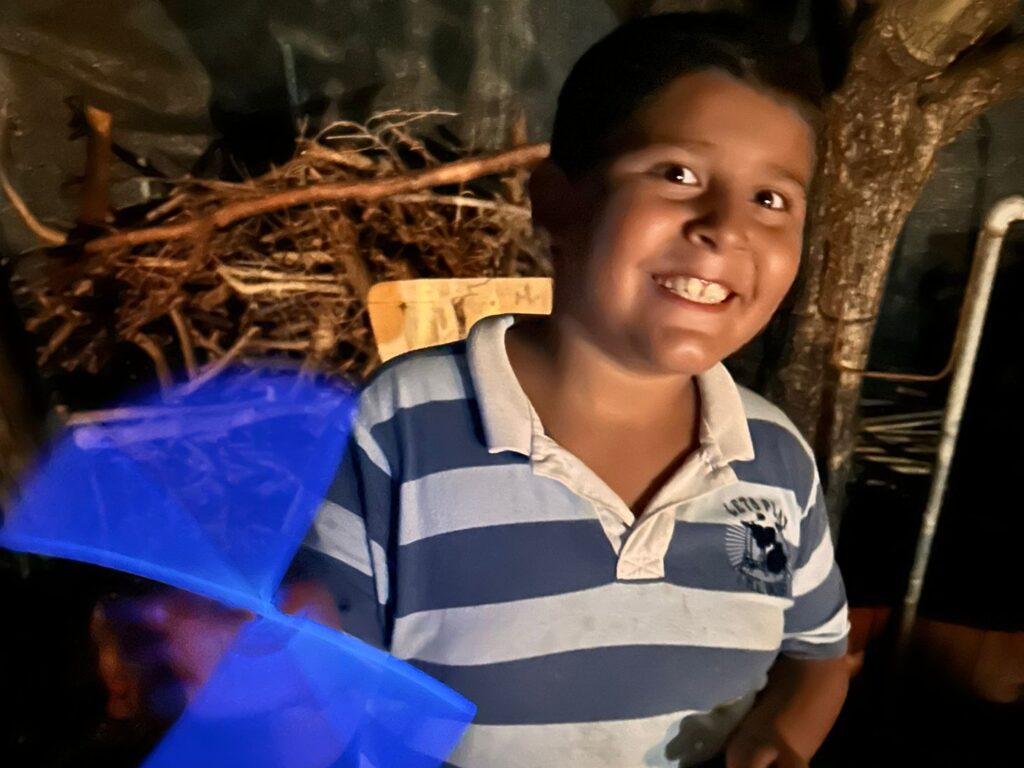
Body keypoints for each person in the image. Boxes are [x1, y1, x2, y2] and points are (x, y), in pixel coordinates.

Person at [95, 12, 850, 768]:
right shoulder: (399, 427)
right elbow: (322, 698)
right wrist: (237, 679)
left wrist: (780, 737)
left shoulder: (775, 458)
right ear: (555, 203)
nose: (726, 227)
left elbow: (818, 656)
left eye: (771, 199)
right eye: (677, 174)